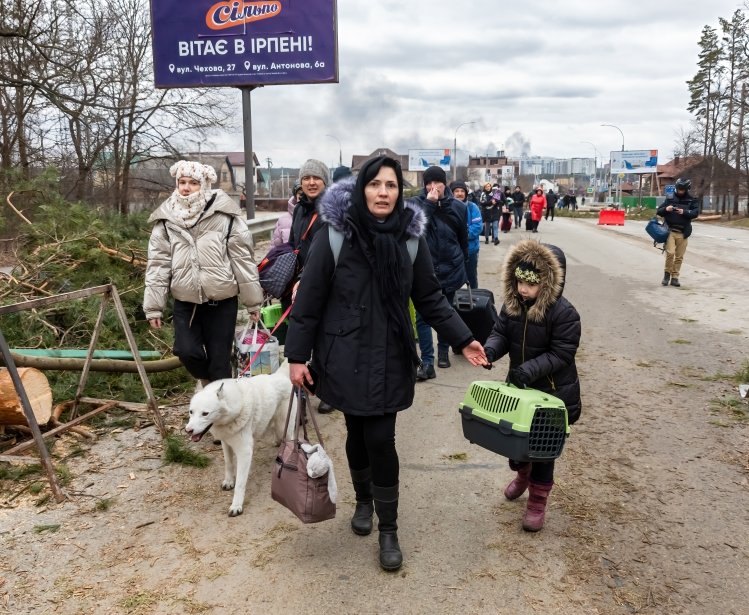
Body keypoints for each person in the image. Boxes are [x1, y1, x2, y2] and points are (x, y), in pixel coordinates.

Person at [284, 156, 487, 570]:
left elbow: (430, 299)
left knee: (381, 438)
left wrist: (463, 339)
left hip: (391, 353)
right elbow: (310, 300)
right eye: (375, 184)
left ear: (400, 192)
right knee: (357, 434)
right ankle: (363, 502)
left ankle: (389, 528)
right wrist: (295, 356)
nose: (382, 192)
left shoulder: (411, 240)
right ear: (362, 189)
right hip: (343, 353)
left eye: (391, 185)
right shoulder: (336, 233)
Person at [483, 239, 581, 531]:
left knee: (543, 452)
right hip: (520, 389)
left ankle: (537, 500)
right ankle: (521, 474)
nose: (523, 289)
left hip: (551, 393)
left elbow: (562, 353)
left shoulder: (565, 314)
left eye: (531, 284)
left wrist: (528, 370)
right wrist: (490, 350)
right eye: (519, 281)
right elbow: (500, 333)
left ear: (549, 283)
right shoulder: (513, 305)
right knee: (515, 443)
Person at [143, 160, 263, 386]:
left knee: (220, 363)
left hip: (222, 302)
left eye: (193, 183)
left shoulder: (226, 216)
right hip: (186, 302)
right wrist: (153, 307)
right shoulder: (166, 220)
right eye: (182, 182)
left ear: (205, 185)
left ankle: (223, 409)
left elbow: (243, 261)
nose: (186, 187)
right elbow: (158, 265)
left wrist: (253, 303)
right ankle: (211, 386)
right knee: (186, 351)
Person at [413, 166, 469, 377]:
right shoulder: (416, 205)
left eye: (437, 182)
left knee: (446, 312)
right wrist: (429, 204)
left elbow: (463, 238)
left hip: (451, 267)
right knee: (422, 317)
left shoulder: (458, 207)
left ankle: (443, 352)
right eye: (429, 183)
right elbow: (415, 230)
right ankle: (427, 361)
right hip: (425, 271)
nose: (433, 186)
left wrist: (462, 262)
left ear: (445, 183)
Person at [288, 159, 333, 412]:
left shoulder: (331, 209)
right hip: (303, 279)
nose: (311, 182)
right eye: (306, 178)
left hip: (327, 280)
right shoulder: (299, 209)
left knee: (326, 336)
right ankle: (305, 386)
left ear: (325, 181)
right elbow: (297, 243)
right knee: (306, 333)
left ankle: (328, 389)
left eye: (316, 178)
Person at [656, 177, 699, 287]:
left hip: (683, 232)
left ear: (686, 189)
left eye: (682, 190)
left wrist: (684, 212)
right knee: (670, 253)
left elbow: (695, 213)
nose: (680, 191)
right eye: (678, 189)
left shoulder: (692, 199)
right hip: (670, 230)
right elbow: (659, 211)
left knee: (679, 256)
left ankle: (675, 277)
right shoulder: (670, 198)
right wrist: (666, 209)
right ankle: (667, 275)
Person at [450, 180, 483, 289]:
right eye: (456, 191)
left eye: (462, 191)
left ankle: (474, 297)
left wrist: (462, 235)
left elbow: (478, 226)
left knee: (471, 277)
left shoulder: (472, 207)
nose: (459, 193)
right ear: (452, 193)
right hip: (452, 251)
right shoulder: (447, 208)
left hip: (470, 250)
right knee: (452, 278)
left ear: (466, 193)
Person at [271, 182, 303, 247]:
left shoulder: (319, 218)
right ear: (295, 196)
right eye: (300, 194)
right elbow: (275, 247)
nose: (303, 197)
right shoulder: (283, 220)